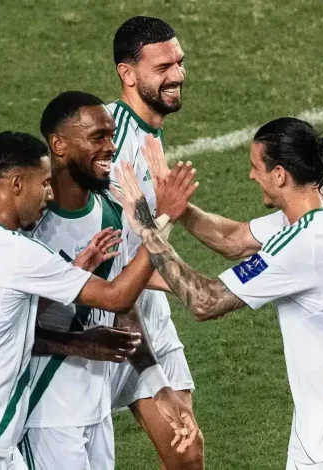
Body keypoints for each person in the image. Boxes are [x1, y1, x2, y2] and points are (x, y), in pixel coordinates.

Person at [0, 131, 196, 470]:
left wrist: (73, 275)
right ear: (17, 184)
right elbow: (117, 297)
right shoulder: (18, 252)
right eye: (44, 183)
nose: (49, 194)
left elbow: (1, 316)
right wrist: (162, 220)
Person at [115, 117, 323, 470]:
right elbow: (234, 240)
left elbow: (205, 301)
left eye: (256, 167)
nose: (251, 175)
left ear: (280, 175)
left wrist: (149, 227)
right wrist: (178, 208)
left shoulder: (306, 244)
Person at [18, 91, 197, 469]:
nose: (111, 147)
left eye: (112, 136)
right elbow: (10, 326)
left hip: (94, 404)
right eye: (98, 137)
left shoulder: (108, 211)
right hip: (48, 409)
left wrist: (158, 384)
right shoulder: (30, 224)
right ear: (59, 145)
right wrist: (164, 220)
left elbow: (123, 304)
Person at [106, 16, 204, 470]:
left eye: (179, 63)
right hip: (108, 321)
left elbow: (144, 240)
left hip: (149, 312)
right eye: (163, 67)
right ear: (128, 74)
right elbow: (108, 263)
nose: (178, 75)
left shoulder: (148, 133)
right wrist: (196, 289)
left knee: (187, 453)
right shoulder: (107, 143)